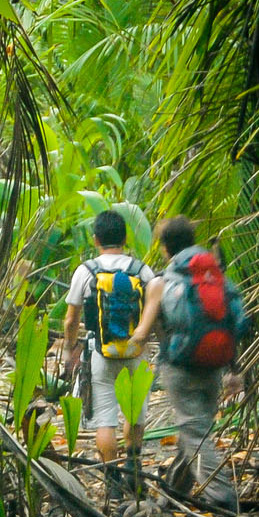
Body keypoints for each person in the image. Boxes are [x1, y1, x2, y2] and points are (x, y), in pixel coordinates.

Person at [130, 215, 241, 513]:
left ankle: (223, 496)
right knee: (195, 428)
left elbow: (146, 328)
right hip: (215, 363)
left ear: (166, 248)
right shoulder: (216, 276)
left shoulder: (165, 281)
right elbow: (236, 320)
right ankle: (172, 494)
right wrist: (235, 370)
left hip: (180, 365)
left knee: (194, 431)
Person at [61, 209, 154, 496]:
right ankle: (134, 470)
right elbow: (153, 310)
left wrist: (70, 349)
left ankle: (112, 482)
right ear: (125, 238)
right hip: (136, 353)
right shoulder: (141, 270)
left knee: (105, 418)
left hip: (100, 353)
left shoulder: (86, 271)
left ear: (96, 239)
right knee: (134, 412)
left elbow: (70, 319)